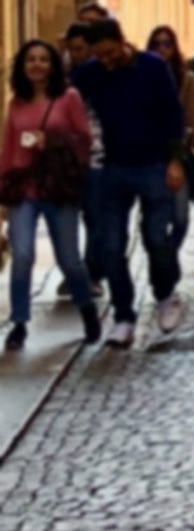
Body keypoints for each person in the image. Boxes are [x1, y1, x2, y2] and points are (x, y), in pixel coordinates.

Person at [73, 19, 193, 346]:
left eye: (110, 53)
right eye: (100, 56)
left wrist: (175, 160)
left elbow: (173, 115)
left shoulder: (153, 68)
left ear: (122, 41)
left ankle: (166, 294)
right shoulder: (93, 72)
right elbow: (65, 91)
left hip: (154, 164)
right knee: (111, 246)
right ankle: (124, 314)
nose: (107, 61)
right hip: (113, 168)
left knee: (157, 237)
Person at [2, 41, 100, 349]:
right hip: (25, 188)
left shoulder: (67, 97)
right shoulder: (17, 102)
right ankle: (19, 322)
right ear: (22, 65)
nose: (37, 65)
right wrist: (3, 193)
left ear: (53, 65)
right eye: (31, 59)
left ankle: (86, 309)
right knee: (22, 255)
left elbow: (84, 140)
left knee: (69, 260)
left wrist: (53, 140)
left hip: (58, 187)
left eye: (44, 60)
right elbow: (8, 149)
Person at [146, 26, 194, 253]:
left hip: (180, 154)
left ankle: (169, 255)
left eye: (167, 44)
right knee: (155, 217)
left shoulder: (187, 78)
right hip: (150, 156)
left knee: (180, 216)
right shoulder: (143, 76)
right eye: (157, 44)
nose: (162, 49)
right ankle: (161, 260)